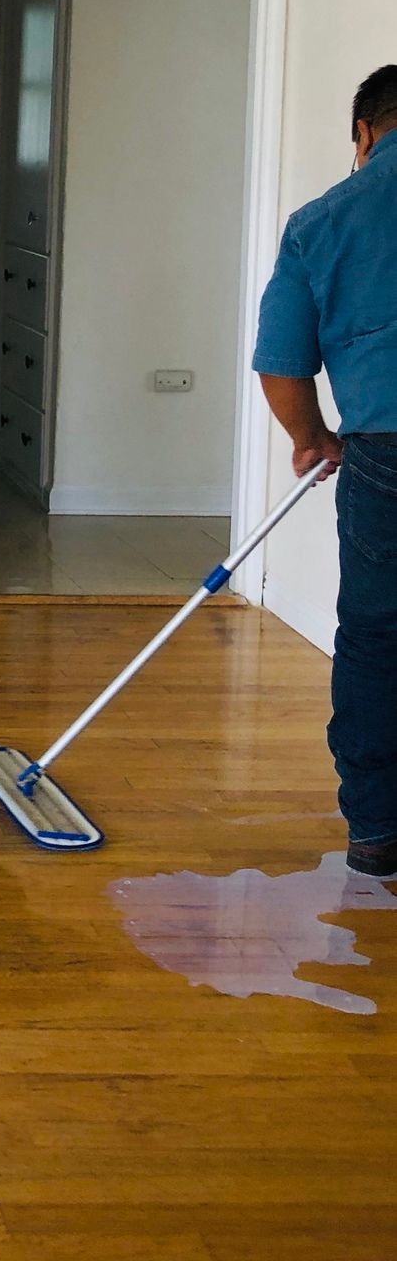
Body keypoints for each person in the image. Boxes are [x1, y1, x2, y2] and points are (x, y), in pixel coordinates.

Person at [254, 63, 397, 877]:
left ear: (365, 133)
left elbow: (282, 363)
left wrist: (313, 440)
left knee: (377, 638)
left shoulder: (325, 222)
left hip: (384, 448)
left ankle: (377, 830)